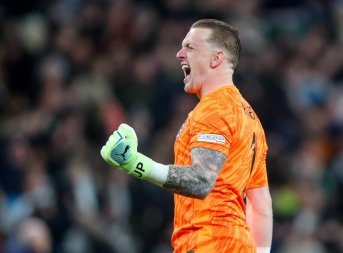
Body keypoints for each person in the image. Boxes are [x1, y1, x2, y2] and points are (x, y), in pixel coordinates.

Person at [101, 19, 273, 253]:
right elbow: (261, 204)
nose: (179, 54)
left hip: (208, 243)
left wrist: (135, 163)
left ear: (216, 59)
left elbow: (201, 181)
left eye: (190, 47)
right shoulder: (251, 120)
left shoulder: (214, 109)